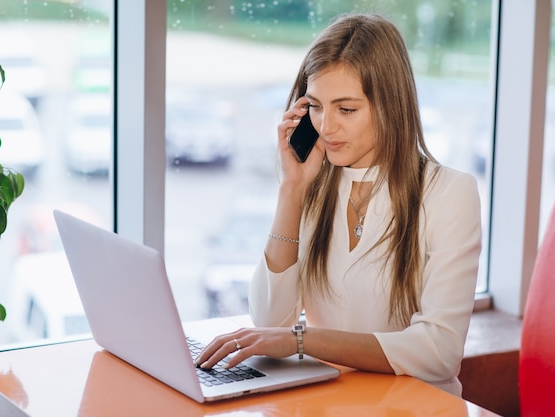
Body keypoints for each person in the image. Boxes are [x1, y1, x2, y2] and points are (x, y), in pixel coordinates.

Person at [195, 13, 482, 396]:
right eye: (315, 106)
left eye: (346, 110)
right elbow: (269, 318)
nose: (326, 127)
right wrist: (291, 191)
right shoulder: (315, 185)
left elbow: (439, 351)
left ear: (392, 107)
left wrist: (304, 340)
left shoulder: (449, 193)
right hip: (333, 403)